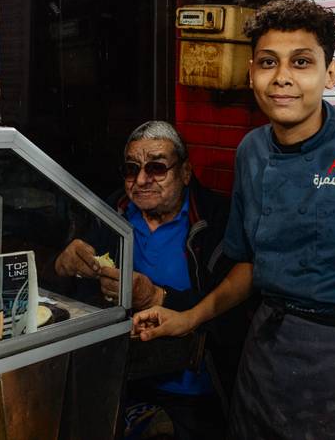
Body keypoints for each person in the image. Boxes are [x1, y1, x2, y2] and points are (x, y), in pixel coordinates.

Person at [133, 0, 335, 440]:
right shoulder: (251, 151)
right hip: (268, 353)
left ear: (330, 73)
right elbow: (248, 266)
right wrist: (189, 317)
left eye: (301, 62)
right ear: (251, 74)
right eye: (268, 63)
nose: (282, 77)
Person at [55, 121, 246, 440]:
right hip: (119, 382)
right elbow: (72, 298)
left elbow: (234, 317)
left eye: (156, 167)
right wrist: (65, 265)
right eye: (132, 169)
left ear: (185, 172)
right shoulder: (111, 212)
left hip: (194, 395)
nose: (142, 180)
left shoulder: (215, 221)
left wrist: (158, 296)